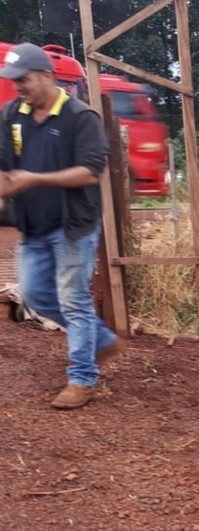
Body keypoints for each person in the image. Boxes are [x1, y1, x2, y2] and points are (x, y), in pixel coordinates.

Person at [0, 42, 123, 410]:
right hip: (33, 226)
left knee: (73, 299)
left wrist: (33, 180)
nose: (18, 86)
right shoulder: (11, 115)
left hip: (73, 227)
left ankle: (83, 378)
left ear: (48, 76)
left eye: (24, 79)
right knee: (36, 296)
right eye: (13, 79)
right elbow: (6, 167)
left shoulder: (80, 117)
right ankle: (101, 339)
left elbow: (90, 171)